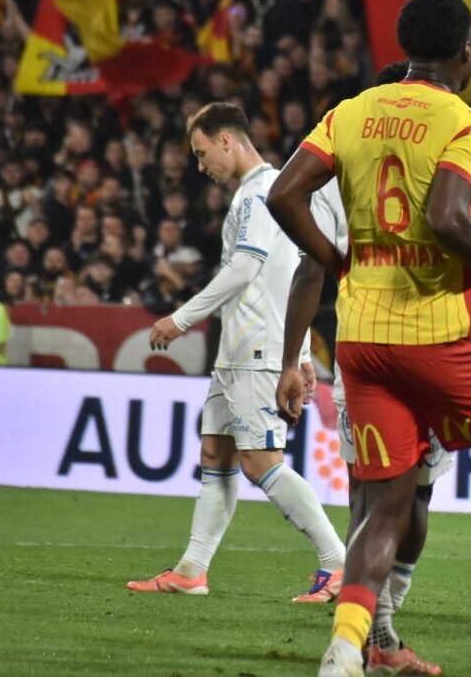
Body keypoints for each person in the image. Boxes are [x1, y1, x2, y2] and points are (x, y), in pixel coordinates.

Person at [266, 0, 471, 677]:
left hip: (364, 336)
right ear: (466, 51)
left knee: (383, 502)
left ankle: (345, 649)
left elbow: (283, 194)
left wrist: (340, 262)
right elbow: (446, 217)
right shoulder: (467, 124)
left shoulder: (350, 112)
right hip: (443, 329)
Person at [126, 102, 346, 603]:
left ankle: (338, 563)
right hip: (239, 350)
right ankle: (192, 569)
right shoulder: (272, 192)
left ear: (226, 140)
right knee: (216, 455)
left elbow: (247, 268)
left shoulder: (259, 194)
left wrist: (181, 319)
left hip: (255, 350)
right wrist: (303, 354)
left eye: (202, 153)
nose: (200, 165)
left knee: (260, 462)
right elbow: (285, 276)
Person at [276, 61, 445, 677]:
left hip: (365, 347)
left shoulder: (342, 158)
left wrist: (292, 360)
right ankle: (382, 627)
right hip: (431, 346)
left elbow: (309, 269)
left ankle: (373, 630)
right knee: (409, 496)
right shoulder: (450, 142)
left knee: (373, 495)